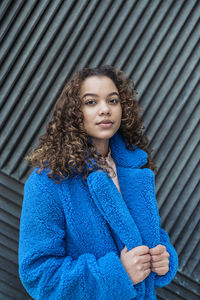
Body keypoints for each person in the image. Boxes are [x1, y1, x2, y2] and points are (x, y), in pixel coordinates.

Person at [18, 65, 178, 300]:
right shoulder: (49, 182)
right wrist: (117, 274)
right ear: (74, 111)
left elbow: (145, 233)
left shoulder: (134, 168)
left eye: (113, 101)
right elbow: (39, 274)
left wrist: (164, 258)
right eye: (91, 102)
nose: (105, 110)